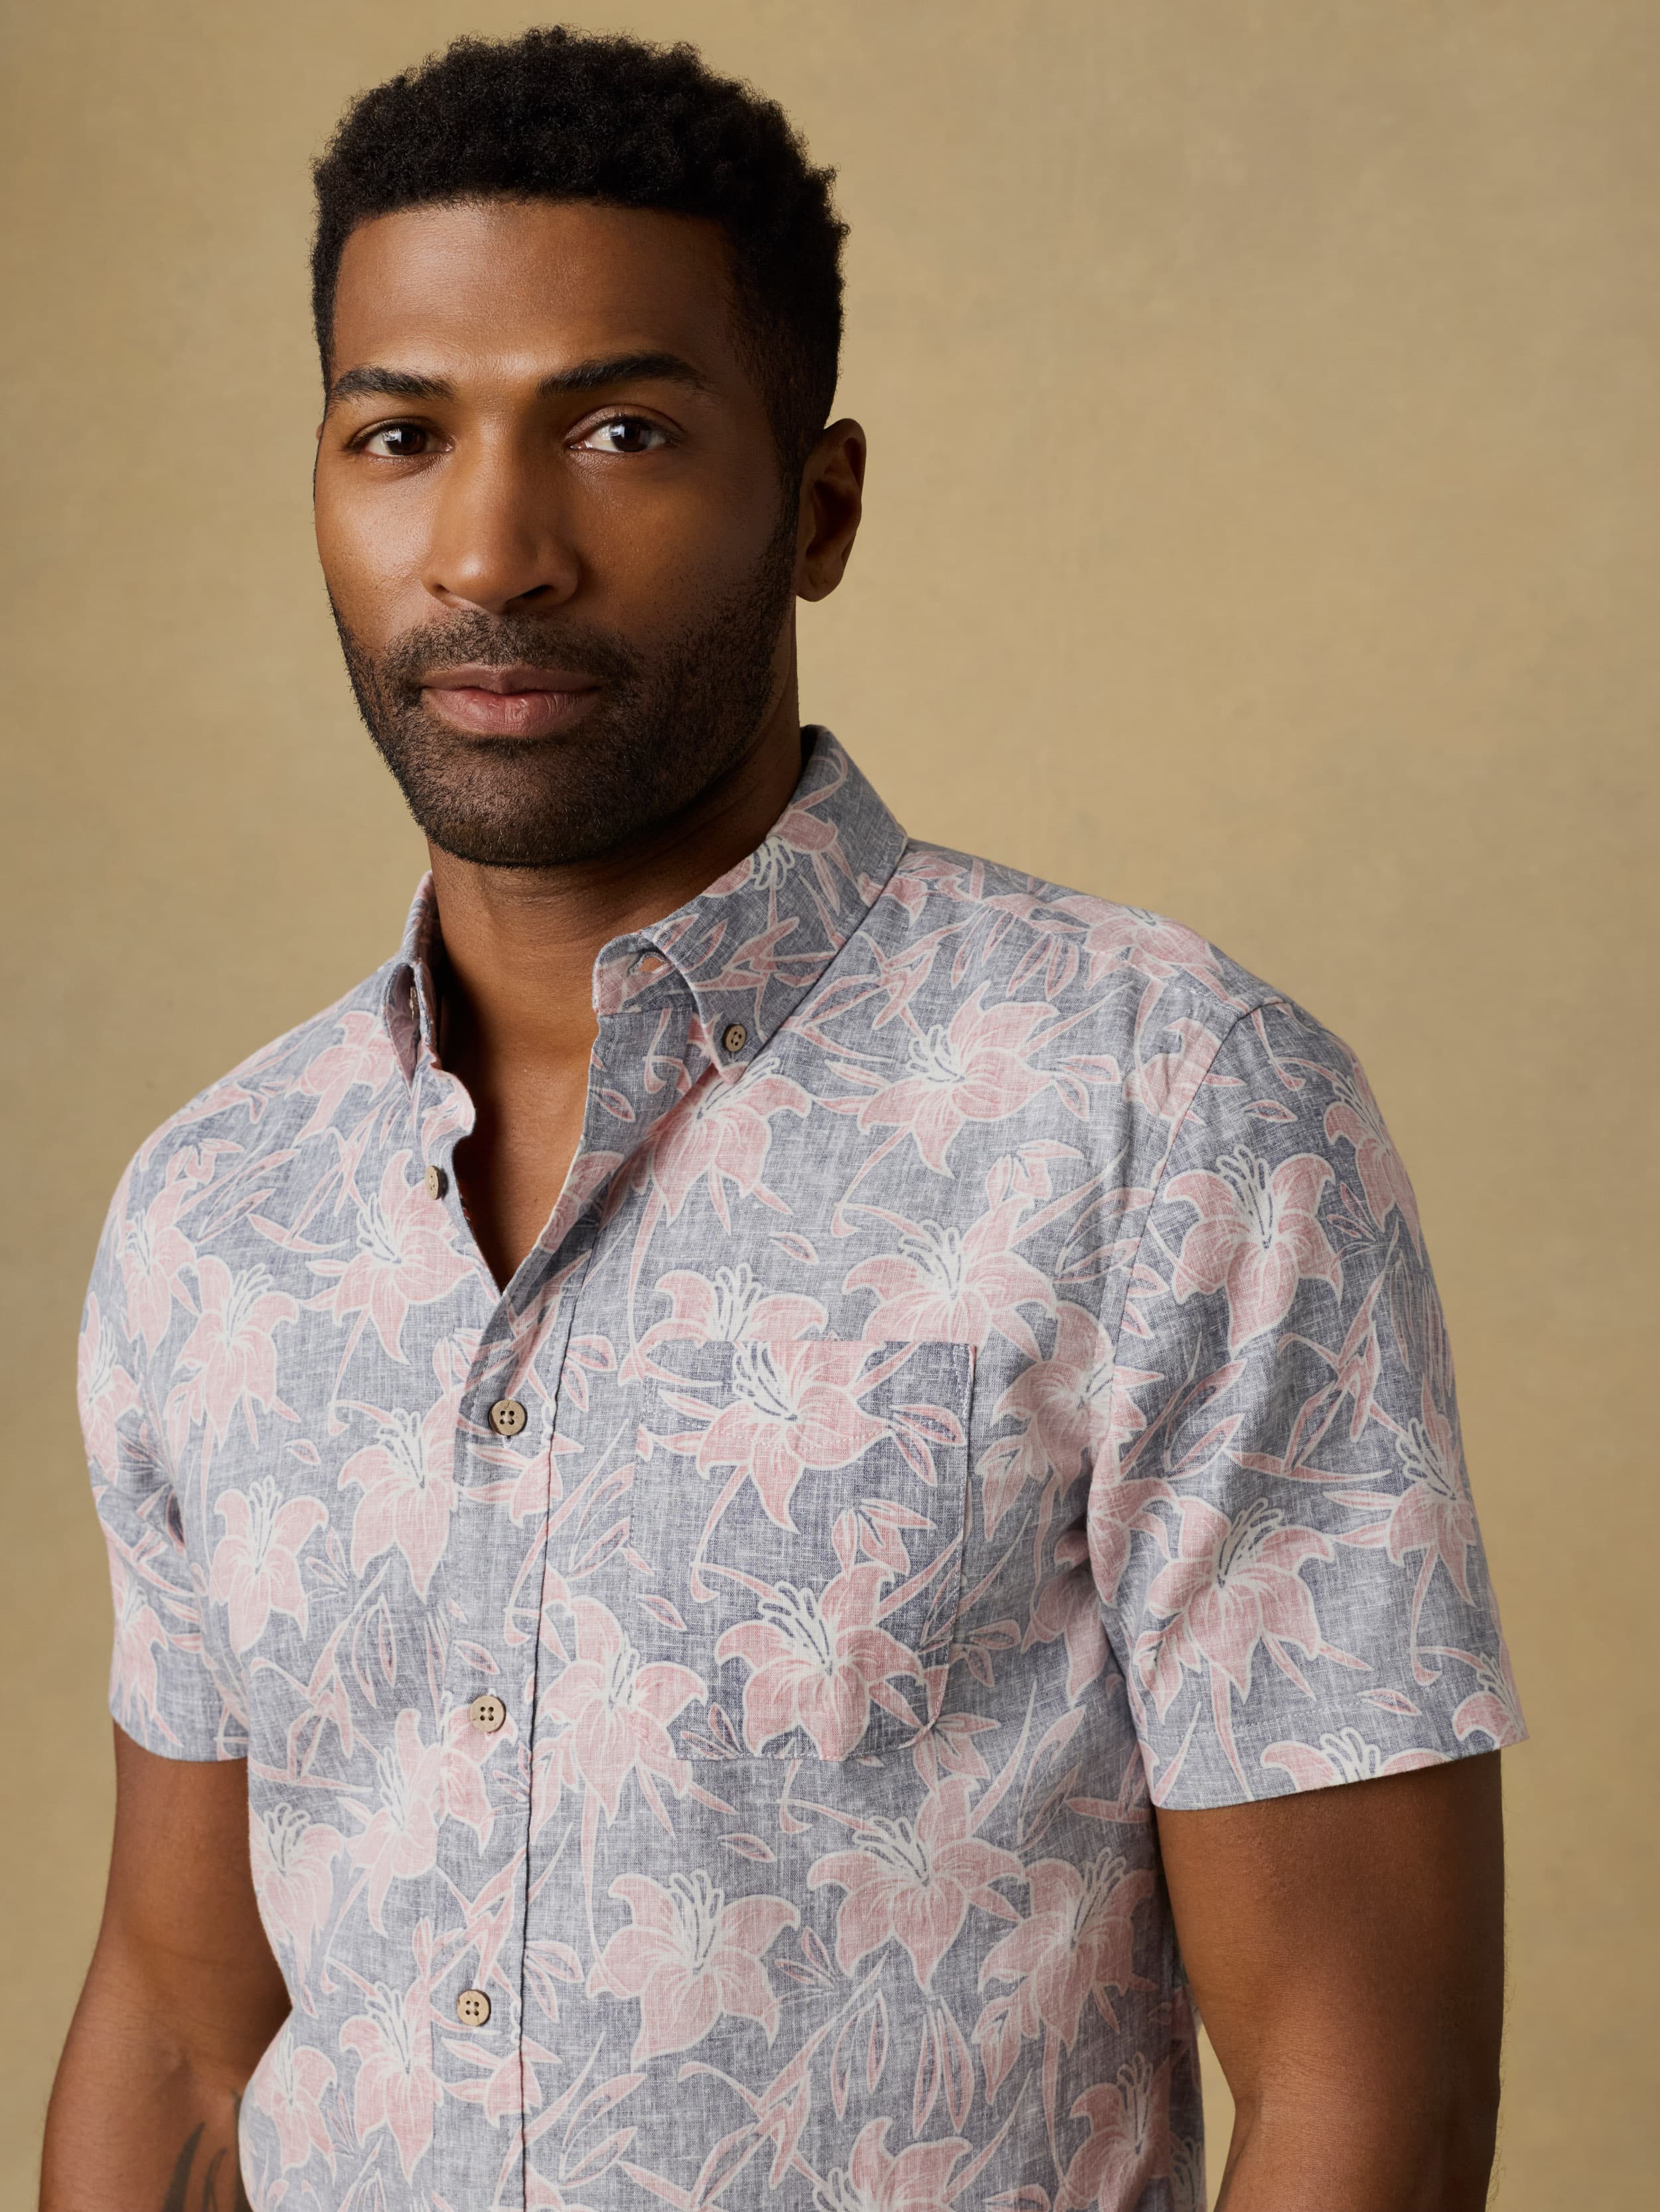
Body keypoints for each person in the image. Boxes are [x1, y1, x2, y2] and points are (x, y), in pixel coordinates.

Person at [42, 27, 1523, 2212]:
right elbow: (181, 2036)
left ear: (816, 506)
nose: (492, 549)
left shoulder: (1162, 1114)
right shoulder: (213, 1218)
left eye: (620, 428)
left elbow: (1358, 2085)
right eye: (398, 433)